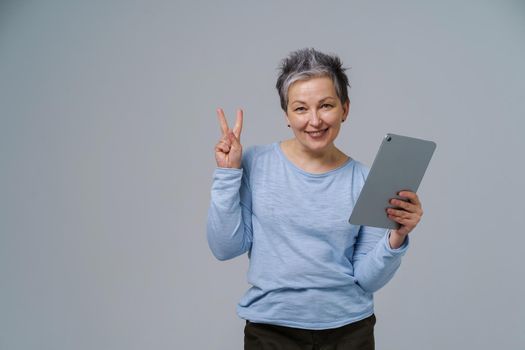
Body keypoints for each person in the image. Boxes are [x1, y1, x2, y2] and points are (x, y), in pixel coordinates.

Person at [206, 48, 424, 350]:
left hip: (349, 332)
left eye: (326, 105)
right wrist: (227, 174)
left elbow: (367, 279)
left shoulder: (365, 180)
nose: (315, 120)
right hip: (271, 330)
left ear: (344, 109)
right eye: (300, 109)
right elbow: (224, 247)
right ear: (286, 115)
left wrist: (396, 237)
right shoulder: (255, 162)